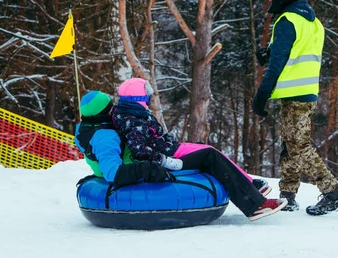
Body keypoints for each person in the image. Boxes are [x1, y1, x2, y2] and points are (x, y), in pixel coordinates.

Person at [111, 77, 287, 221]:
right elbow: (139, 150)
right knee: (210, 156)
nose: (149, 100)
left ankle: (249, 184)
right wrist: (166, 161)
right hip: (168, 158)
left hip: (171, 149)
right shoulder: (131, 120)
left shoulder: (134, 114)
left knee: (208, 149)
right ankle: (255, 206)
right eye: (146, 95)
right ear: (138, 99)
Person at [253, 0, 338, 216]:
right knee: (291, 143)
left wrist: (262, 93)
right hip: (307, 91)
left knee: (297, 146)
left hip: (294, 93)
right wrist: (271, 52)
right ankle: (288, 195)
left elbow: (278, 64)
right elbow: (295, 52)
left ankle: (333, 193)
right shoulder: (312, 21)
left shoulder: (287, 20)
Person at [74, 90, 171, 187]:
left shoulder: (90, 128)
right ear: (104, 113)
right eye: (111, 109)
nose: (115, 111)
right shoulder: (105, 138)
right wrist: (146, 169)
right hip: (127, 171)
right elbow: (113, 173)